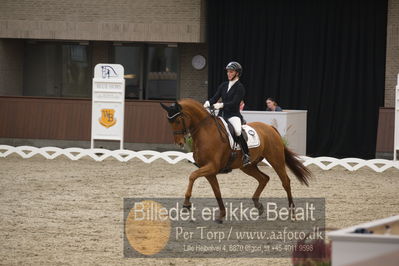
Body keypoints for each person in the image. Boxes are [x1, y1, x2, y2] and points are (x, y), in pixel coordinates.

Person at [203, 61, 251, 166]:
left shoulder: (240, 87)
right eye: (228, 72)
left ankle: (246, 154)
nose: (228, 74)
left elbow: (234, 103)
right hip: (221, 115)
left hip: (233, 115)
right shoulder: (223, 85)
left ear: (237, 73)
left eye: (231, 72)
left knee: (238, 131)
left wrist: (221, 105)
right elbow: (215, 97)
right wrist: (208, 102)